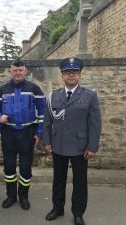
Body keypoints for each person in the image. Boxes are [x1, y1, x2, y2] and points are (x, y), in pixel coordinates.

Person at [43, 57, 102, 225]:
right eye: (68, 72)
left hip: (80, 147)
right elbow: (47, 121)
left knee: (80, 182)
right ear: (62, 75)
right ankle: (57, 208)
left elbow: (95, 124)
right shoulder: (53, 96)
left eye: (75, 72)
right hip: (58, 145)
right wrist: (47, 142)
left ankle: (78, 212)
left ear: (79, 75)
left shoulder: (90, 95)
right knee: (58, 179)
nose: (71, 75)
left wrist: (92, 147)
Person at [0, 59, 46, 210]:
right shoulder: (2, 90)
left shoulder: (34, 89)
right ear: (11, 71)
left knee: (25, 167)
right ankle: (11, 196)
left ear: (25, 71)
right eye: (15, 70)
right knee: (9, 167)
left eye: (20, 70)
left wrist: (39, 132)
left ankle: (23, 197)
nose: (17, 73)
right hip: (8, 133)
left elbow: (43, 113)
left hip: (27, 132)